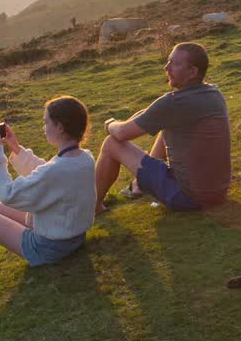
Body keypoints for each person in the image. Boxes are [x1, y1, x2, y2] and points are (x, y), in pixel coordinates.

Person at [0, 95, 95, 289]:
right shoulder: (85, 158)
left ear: (60, 127)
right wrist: (16, 149)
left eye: (46, 122)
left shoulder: (57, 170)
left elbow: (8, 194)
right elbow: (47, 175)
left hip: (49, 248)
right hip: (73, 238)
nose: (43, 127)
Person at [94, 42, 230, 213]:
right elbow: (153, 115)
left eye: (175, 64)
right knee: (167, 127)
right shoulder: (213, 93)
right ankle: (139, 185)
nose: (167, 68)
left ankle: (94, 206)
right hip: (218, 192)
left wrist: (109, 124)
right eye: (168, 61)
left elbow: (121, 133)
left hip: (188, 197)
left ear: (193, 72)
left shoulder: (174, 103)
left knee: (111, 144)